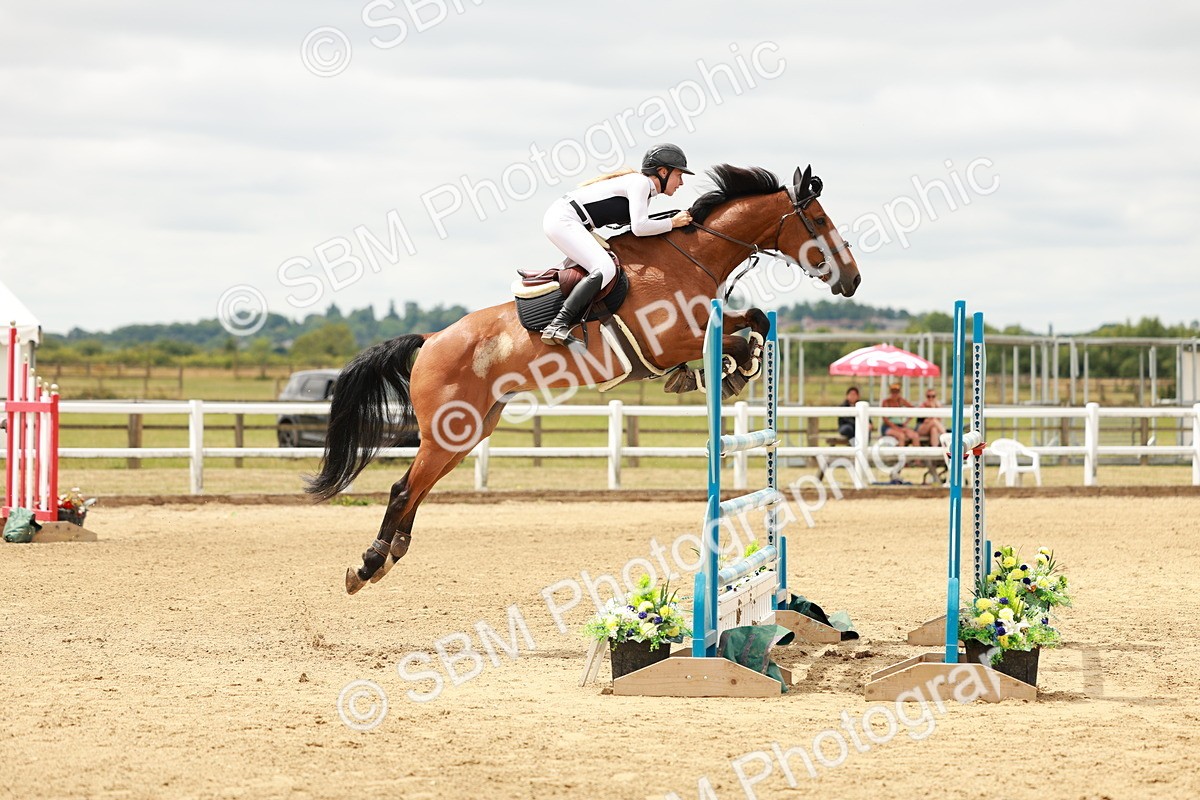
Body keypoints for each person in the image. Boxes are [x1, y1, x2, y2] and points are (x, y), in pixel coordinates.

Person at [540, 143, 694, 346]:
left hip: (569, 220)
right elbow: (640, 228)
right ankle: (557, 324)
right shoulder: (640, 183)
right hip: (565, 219)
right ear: (663, 172)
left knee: (605, 265)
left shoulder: (642, 188)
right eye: (679, 175)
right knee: (604, 268)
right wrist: (673, 223)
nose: (681, 182)